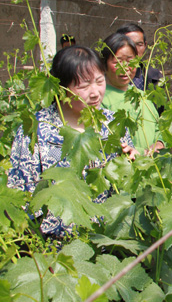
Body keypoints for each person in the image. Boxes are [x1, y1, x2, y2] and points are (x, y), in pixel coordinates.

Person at [8, 45, 136, 237]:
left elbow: (124, 188)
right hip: (51, 246)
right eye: (84, 86)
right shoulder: (36, 130)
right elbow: (22, 196)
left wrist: (132, 162)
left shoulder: (112, 124)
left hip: (106, 240)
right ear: (61, 88)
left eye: (99, 81)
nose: (95, 93)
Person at [100, 33, 164, 155]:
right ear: (103, 64)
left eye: (130, 61)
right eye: (117, 62)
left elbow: (158, 128)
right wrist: (141, 152)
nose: (125, 68)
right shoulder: (100, 98)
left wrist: (159, 143)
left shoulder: (143, 96)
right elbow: (105, 141)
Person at [116, 23, 163, 91]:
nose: (135, 49)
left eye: (139, 44)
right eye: (130, 44)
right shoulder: (109, 75)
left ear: (145, 45)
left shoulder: (154, 76)